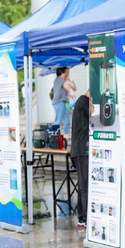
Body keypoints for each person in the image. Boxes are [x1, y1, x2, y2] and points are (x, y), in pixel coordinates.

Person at [71, 90, 93, 228]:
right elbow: (93, 113)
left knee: (82, 185)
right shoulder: (83, 100)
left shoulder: (81, 102)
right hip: (81, 150)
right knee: (84, 185)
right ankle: (85, 217)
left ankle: (81, 217)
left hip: (79, 150)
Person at [52, 67, 76, 133]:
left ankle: (67, 132)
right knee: (58, 119)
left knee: (67, 118)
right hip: (59, 102)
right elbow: (67, 88)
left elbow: (63, 91)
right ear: (62, 73)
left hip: (61, 102)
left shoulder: (57, 80)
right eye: (66, 72)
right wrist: (69, 83)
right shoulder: (60, 79)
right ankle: (55, 134)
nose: (67, 73)